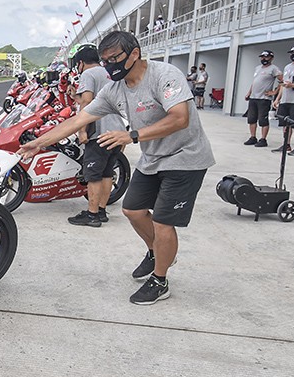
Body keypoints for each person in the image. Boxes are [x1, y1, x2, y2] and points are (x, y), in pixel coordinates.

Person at [18, 31, 215, 305]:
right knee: (132, 210)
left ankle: (160, 280)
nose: (109, 66)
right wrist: (38, 143)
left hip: (185, 157)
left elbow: (180, 118)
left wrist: (132, 136)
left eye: (115, 59)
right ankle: (156, 251)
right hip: (153, 158)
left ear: (134, 53)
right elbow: (78, 120)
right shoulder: (114, 88)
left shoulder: (164, 75)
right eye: (105, 60)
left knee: (162, 221)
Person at [67, 44, 126, 227]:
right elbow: (99, 100)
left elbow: (87, 101)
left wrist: (82, 130)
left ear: (81, 63)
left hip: (99, 132)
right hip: (117, 130)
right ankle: (101, 211)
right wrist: (75, 97)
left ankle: (91, 215)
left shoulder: (88, 74)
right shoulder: (108, 72)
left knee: (93, 174)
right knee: (107, 173)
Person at [243, 50, 282, 148]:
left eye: (266, 57)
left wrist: (275, 92)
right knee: (251, 118)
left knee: (263, 119)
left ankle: (263, 139)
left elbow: (282, 81)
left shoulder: (274, 69)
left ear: (271, 58)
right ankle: (253, 137)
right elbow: (254, 82)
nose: (264, 59)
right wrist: (249, 93)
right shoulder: (257, 68)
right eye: (262, 57)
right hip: (253, 97)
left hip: (264, 98)